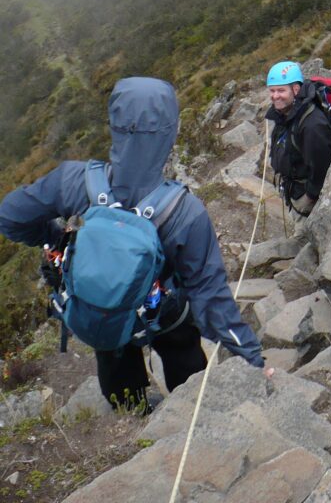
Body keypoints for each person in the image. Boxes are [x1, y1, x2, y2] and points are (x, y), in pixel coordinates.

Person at [0, 76, 265, 411]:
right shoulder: (185, 211)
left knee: (113, 354)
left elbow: (11, 217)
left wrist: (55, 238)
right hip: (165, 313)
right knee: (182, 349)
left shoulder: (74, 180)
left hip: (103, 309)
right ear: (170, 131)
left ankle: (133, 416)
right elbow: (211, 300)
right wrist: (253, 358)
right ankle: (188, 411)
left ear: (114, 124)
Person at [266, 61, 331, 218]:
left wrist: (310, 196)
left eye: (280, 90)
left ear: (296, 89)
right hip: (294, 188)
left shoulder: (311, 124)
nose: (275, 96)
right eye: (272, 90)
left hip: (306, 195)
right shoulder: (286, 112)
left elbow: (321, 165)